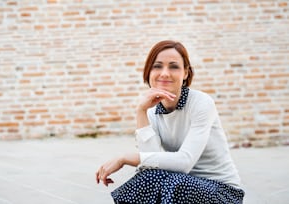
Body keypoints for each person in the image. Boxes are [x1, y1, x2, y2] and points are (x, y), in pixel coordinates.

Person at [96, 40, 245, 203]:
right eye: (157, 66)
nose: (165, 73)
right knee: (150, 176)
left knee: (174, 183)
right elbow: (152, 165)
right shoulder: (152, 111)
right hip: (177, 190)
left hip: (222, 192)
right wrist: (141, 112)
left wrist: (125, 158)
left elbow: (184, 162)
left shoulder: (201, 103)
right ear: (148, 72)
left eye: (173, 66)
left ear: (186, 73)